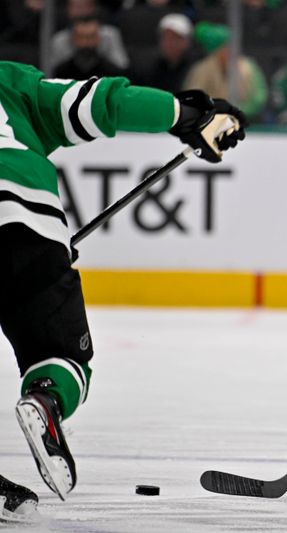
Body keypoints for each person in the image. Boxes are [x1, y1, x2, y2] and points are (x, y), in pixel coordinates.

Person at [0, 60, 246, 521]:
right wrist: (190, 114)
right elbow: (101, 103)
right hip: (29, 224)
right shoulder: (10, 83)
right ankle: (46, 399)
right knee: (60, 356)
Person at [183, 22, 268, 123]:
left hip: (246, 122)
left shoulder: (248, 67)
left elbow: (259, 96)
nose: (228, 50)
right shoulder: (202, 70)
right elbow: (193, 97)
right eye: (224, 46)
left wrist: (241, 111)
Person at [49, 0, 129, 72]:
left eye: (86, 6)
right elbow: (52, 72)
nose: (81, 12)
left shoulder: (110, 34)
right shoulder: (59, 39)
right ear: (68, 9)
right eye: (77, 7)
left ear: (95, 8)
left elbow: (122, 67)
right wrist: (76, 57)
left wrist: (96, 55)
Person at [132, 13, 200, 94]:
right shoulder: (150, 69)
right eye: (165, 37)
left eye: (175, 38)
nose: (169, 43)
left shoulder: (197, 68)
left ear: (187, 42)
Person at [53, 16, 127, 80]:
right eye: (81, 37)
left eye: (91, 37)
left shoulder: (112, 72)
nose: (86, 43)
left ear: (99, 39)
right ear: (73, 39)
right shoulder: (62, 72)